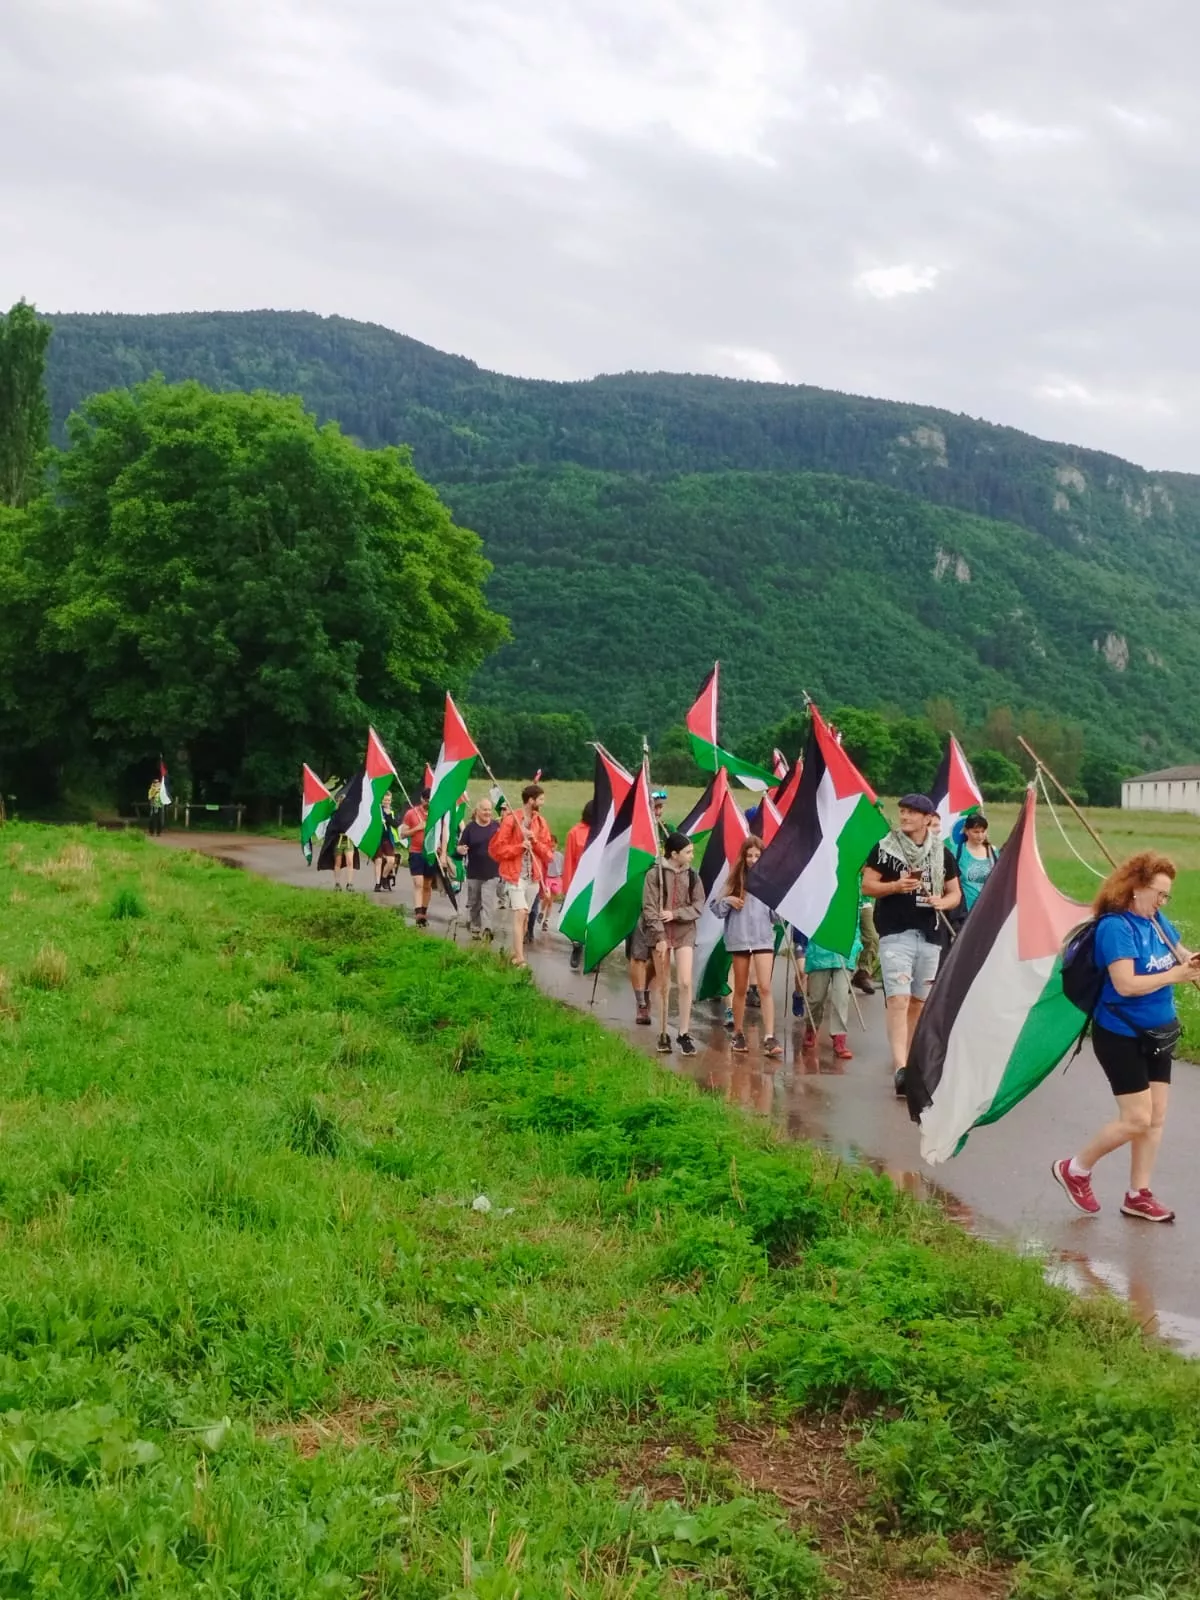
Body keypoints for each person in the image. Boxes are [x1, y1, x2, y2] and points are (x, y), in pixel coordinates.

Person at [1052, 852, 1199, 1223]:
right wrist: (1175, 977)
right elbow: (1127, 984)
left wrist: (1191, 962)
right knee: (1136, 1119)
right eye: (1159, 894)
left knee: (1156, 1117)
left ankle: (1138, 1194)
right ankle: (1076, 1169)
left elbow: (1179, 955)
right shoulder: (1115, 928)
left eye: (1167, 896)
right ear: (1136, 888)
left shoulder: (1157, 920)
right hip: (1121, 1033)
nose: (1163, 902)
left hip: (1159, 1031)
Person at [862, 793, 962, 1097]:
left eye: (911, 813)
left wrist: (940, 902)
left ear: (927, 818)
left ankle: (909, 1063)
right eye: (902, 811)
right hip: (895, 933)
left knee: (918, 1002)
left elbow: (954, 893)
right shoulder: (885, 848)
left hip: (930, 935)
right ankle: (900, 1067)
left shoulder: (941, 853)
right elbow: (867, 885)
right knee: (899, 999)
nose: (904, 817)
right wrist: (895, 886)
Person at [714, 835, 782, 1059]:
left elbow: (775, 917)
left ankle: (770, 1036)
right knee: (741, 988)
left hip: (762, 938)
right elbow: (716, 909)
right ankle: (738, 1032)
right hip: (740, 938)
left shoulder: (769, 881)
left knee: (764, 987)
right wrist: (729, 901)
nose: (753, 859)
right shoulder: (735, 880)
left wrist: (781, 905)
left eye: (757, 855)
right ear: (743, 857)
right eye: (749, 855)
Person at [640, 830, 705, 1056]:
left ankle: (684, 1033)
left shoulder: (693, 875)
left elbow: (698, 905)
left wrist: (676, 913)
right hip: (660, 934)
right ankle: (663, 1031)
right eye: (688, 852)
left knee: (685, 982)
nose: (691, 856)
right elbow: (649, 908)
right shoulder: (654, 875)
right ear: (674, 853)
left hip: (684, 930)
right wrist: (658, 936)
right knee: (664, 983)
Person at [489, 782, 553, 967]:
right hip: (514, 875)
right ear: (531, 800)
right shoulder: (511, 820)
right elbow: (497, 850)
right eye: (540, 799)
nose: (543, 803)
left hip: (533, 877)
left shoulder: (541, 823)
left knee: (524, 917)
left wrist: (535, 842)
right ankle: (520, 958)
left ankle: (515, 952)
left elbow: (548, 854)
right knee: (521, 912)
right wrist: (519, 847)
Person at [797, 930, 860, 1061]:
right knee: (816, 999)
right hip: (819, 953)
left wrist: (856, 944)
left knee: (841, 997)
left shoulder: (847, 908)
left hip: (844, 951)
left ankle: (839, 1036)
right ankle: (811, 1026)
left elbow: (855, 922)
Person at [456, 796, 501, 941]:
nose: (488, 812)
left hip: (492, 871)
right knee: (475, 902)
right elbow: (460, 847)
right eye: (484, 810)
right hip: (474, 872)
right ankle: (475, 925)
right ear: (477, 811)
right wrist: (461, 850)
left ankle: (487, 928)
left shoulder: (496, 827)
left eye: (489, 810)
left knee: (488, 901)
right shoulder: (470, 828)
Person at [561, 801, 593, 971]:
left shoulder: (604, 832)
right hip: (579, 883)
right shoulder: (575, 832)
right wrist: (568, 887)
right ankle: (577, 948)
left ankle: (592, 956)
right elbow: (568, 861)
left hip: (596, 884)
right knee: (579, 920)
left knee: (593, 921)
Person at [399, 786, 433, 927]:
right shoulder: (411, 813)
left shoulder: (435, 813)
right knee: (418, 883)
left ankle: (424, 911)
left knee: (427, 884)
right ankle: (418, 912)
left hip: (430, 853)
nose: (428, 803)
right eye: (426, 800)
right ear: (421, 799)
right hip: (416, 852)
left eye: (430, 800)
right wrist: (417, 828)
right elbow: (403, 834)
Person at [954, 813, 998, 916]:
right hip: (965, 912)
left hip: (989, 910)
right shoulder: (957, 852)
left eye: (983, 831)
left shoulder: (993, 852)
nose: (980, 836)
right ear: (966, 831)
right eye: (976, 832)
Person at [373, 791, 399, 892]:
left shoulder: (391, 812)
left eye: (388, 800)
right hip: (377, 838)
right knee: (378, 861)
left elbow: (395, 824)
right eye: (385, 800)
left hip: (387, 838)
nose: (387, 802)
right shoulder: (377, 810)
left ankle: (384, 877)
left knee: (391, 861)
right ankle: (377, 883)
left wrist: (388, 817)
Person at [853, 897, 878, 994]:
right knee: (848, 938)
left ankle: (862, 974)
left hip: (864, 902)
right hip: (845, 901)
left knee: (872, 938)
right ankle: (844, 976)